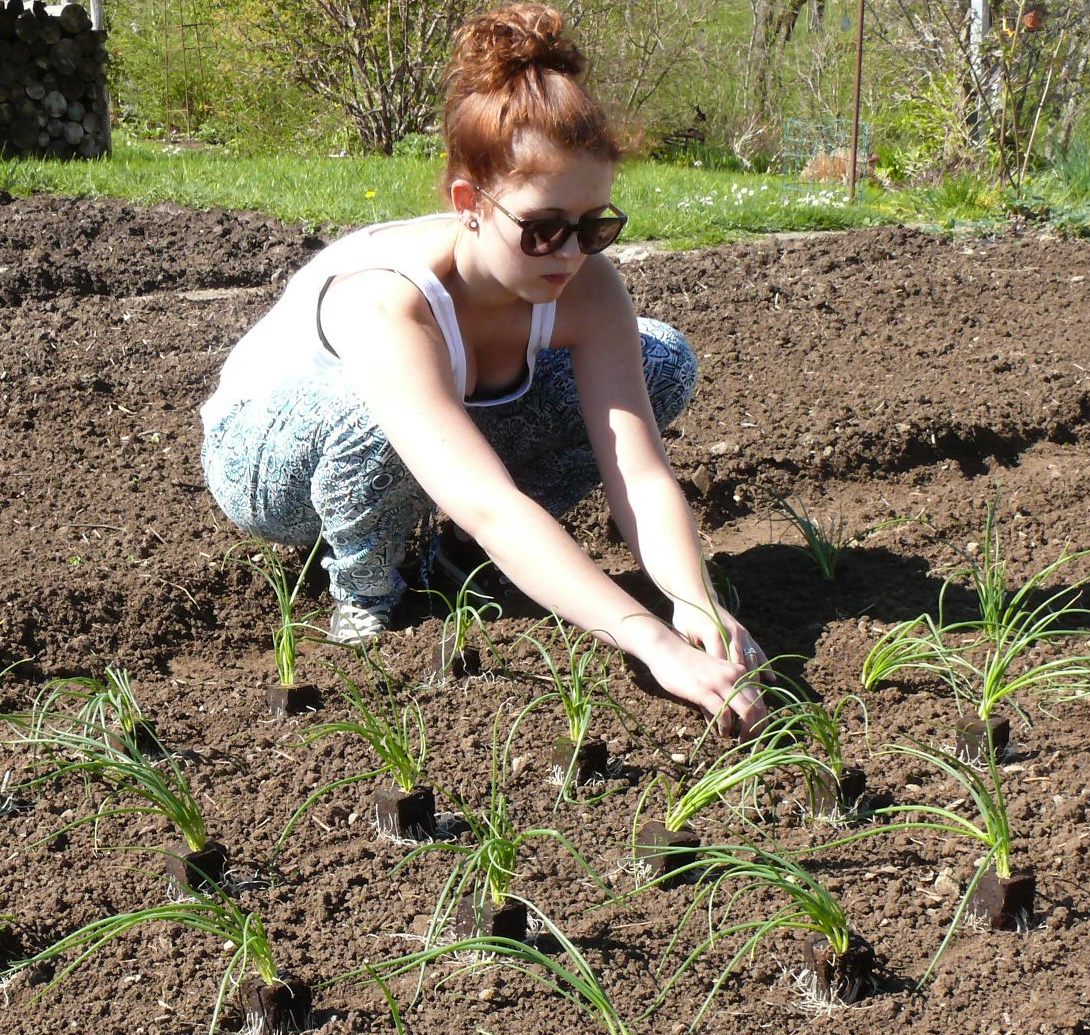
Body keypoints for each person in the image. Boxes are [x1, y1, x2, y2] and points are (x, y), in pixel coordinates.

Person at [200, 2, 768, 735]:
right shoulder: (389, 297)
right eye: (544, 229)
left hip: (433, 432)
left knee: (660, 359)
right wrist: (649, 641)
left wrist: (693, 601)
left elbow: (639, 472)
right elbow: (487, 499)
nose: (572, 252)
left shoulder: (586, 283)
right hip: (267, 464)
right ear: (469, 202)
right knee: (376, 417)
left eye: (595, 225)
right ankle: (367, 593)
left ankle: (461, 562)